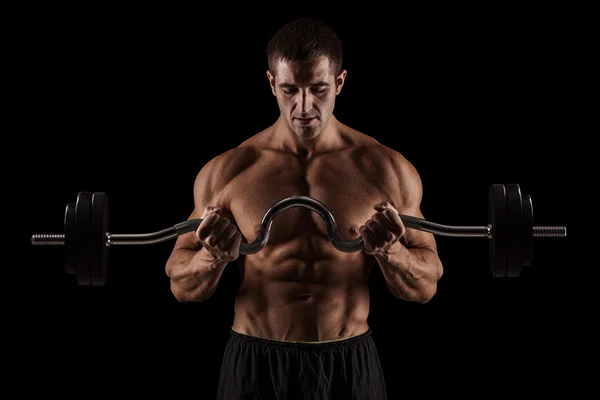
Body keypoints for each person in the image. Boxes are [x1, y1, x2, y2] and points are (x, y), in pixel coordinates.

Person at [165, 17, 444, 400]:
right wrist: (211, 259)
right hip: (254, 360)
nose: (304, 106)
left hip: (348, 360)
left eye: (319, 89)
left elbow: (427, 285)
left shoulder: (385, 169)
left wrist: (391, 252)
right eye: (289, 90)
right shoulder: (230, 171)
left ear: (341, 83)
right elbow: (179, 283)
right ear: (270, 84)